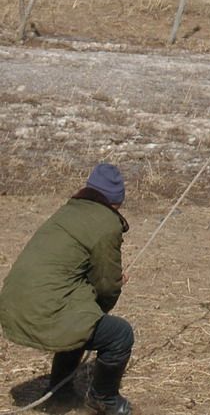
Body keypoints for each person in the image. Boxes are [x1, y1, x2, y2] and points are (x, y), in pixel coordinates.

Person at [0, 163, 133, 415]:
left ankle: (60, 394)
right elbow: (106, 287)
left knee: (80, 316)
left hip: (11, 305)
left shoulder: (68, 211)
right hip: (41, 310)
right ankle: (103, 398)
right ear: (117, 201)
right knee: (120, 335)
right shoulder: (107, 224)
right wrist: (114, 287)